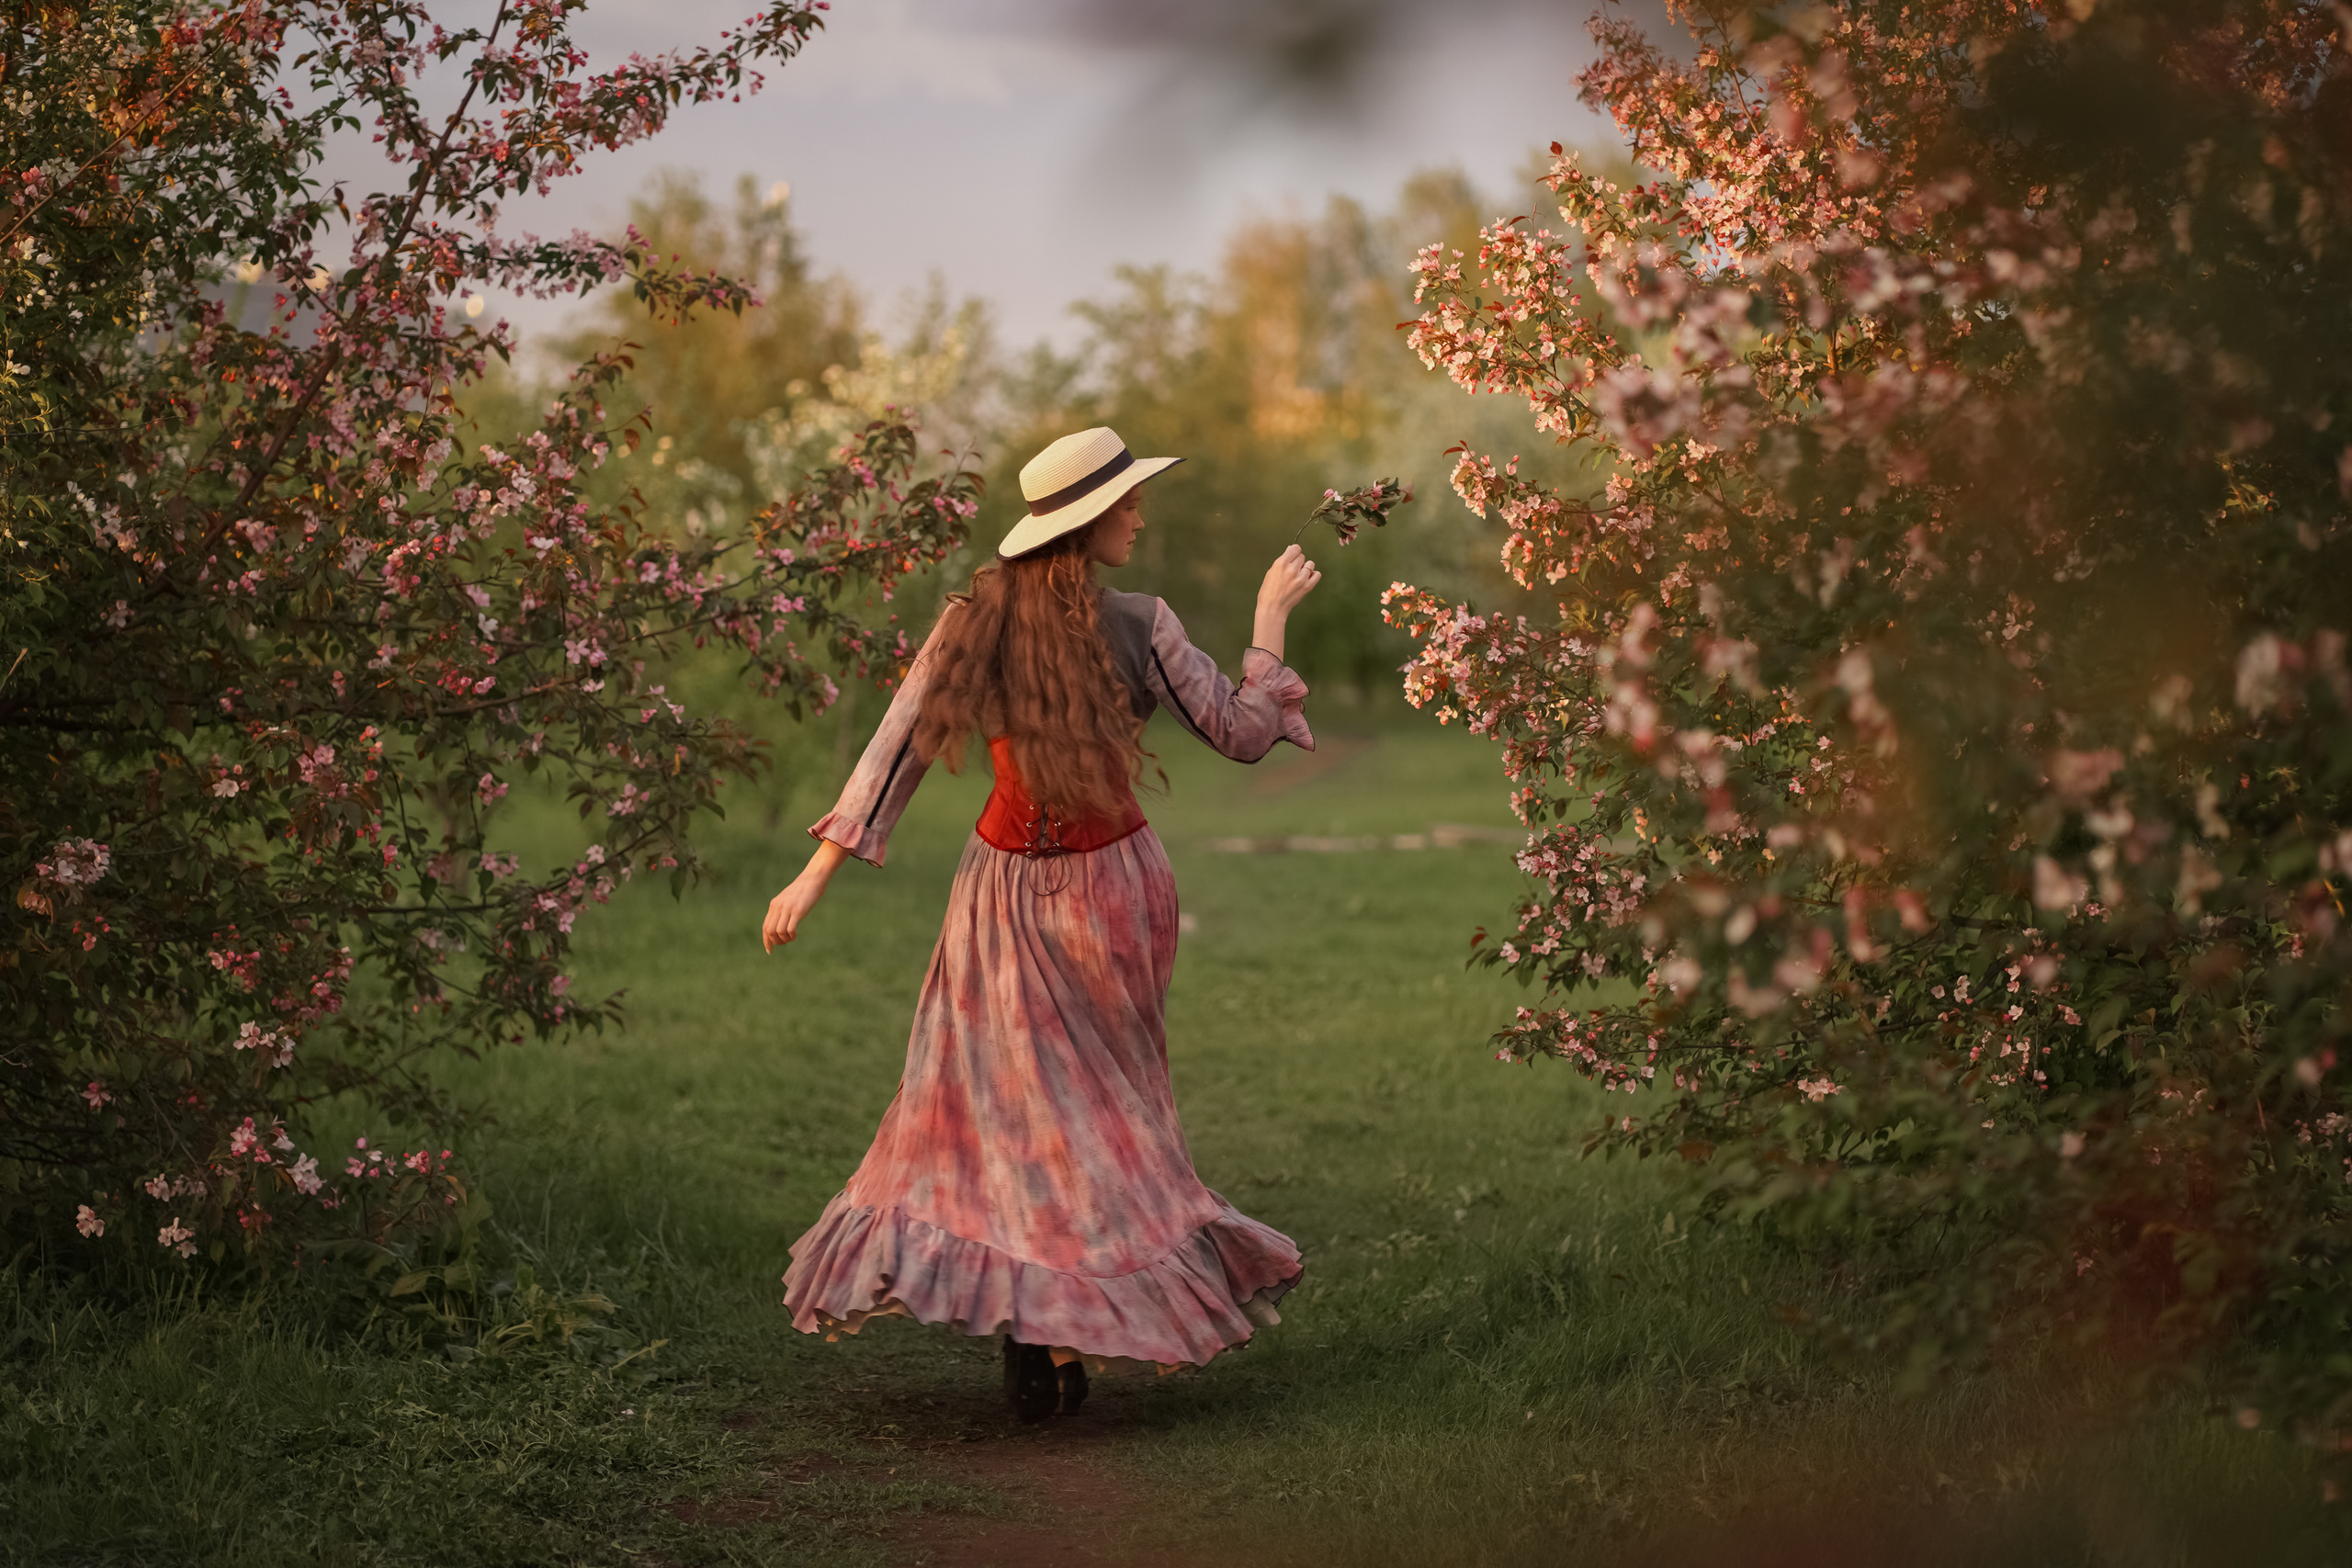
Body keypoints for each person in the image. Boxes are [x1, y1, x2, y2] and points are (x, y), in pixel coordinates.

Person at [763, 425, 1322, 1421]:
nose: (1137, 515)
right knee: (1038, 1120)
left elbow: (1239, 735)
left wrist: (1268, 617)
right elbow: (898, 750)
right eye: (1125, 502)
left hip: (1077, 897)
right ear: (1084, 522)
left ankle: (1052, 1328)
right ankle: (1042, 1330)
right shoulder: (1019, 623)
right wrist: (815, 871)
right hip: (1038, 896)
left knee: (1072, 1122)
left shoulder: (1098, 622)